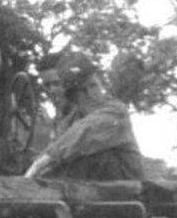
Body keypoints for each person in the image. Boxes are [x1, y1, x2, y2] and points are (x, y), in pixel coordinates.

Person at [23, 50, 144, 182]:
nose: (52, 90)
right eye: (47, 86)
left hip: (123, 195)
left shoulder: (115, 112)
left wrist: (40, 164)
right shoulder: (67, 120)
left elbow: (85, 132)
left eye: (57, 83)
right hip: (84, 194)